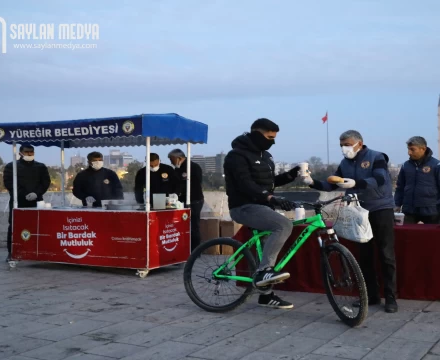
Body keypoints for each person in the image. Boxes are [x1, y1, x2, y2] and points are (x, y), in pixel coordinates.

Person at [304, 130, 399, 313]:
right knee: (364, 255)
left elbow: (380, 179)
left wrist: (356, 183)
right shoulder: (344, 163)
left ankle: (390, 297)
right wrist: (311, 182)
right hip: (357, 211)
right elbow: (331, 184)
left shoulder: (376, 157)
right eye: (341, 145)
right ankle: (371, 296)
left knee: (386, 254)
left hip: (380, 208)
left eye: (347, 144)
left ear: (359, 143)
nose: (344, 148)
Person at [223, 118, 301, 309]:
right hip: (243, 207)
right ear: (257, 133)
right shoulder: (236, 156)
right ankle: (265, 271)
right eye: (269, 137)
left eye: (274, 138)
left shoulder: (265, 156)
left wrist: (291, 175)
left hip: (262, 207)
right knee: (283, 225)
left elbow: (268, 182)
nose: (272, 141)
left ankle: (265, 296)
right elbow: (245, 183)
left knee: (266, 248)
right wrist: (268, 197)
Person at [3, 143, 51, 261]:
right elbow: (9, 183)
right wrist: (24, 194)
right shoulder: (11, 167)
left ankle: (36, 251)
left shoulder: (40, 167)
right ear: (20, 153)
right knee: (14, 226)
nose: (29, 154)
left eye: (31, 152)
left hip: (37, 201)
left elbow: (45, 182)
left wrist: (36, 193)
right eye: (27, 152)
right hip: (18, 201)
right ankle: (12, 252)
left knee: (38, 226)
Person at [394, 136, 440, 224]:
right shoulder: (406, 166)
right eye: (408, 149)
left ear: (423, 149)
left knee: (433, 236)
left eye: (412, 149)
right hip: (409, 210)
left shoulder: (438, 165)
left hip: (431, 211)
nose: (409, 152)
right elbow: (400, 187)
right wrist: (397, 204)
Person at [168, 148, 204, 251]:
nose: (171, 162)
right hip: (182, 201)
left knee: (193, 226)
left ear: (179, 158)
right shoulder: (177, 169)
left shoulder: (193, 167)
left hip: (194, 200)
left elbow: (194, 184)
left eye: (172, 159)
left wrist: (179, 191)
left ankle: (195, 250)